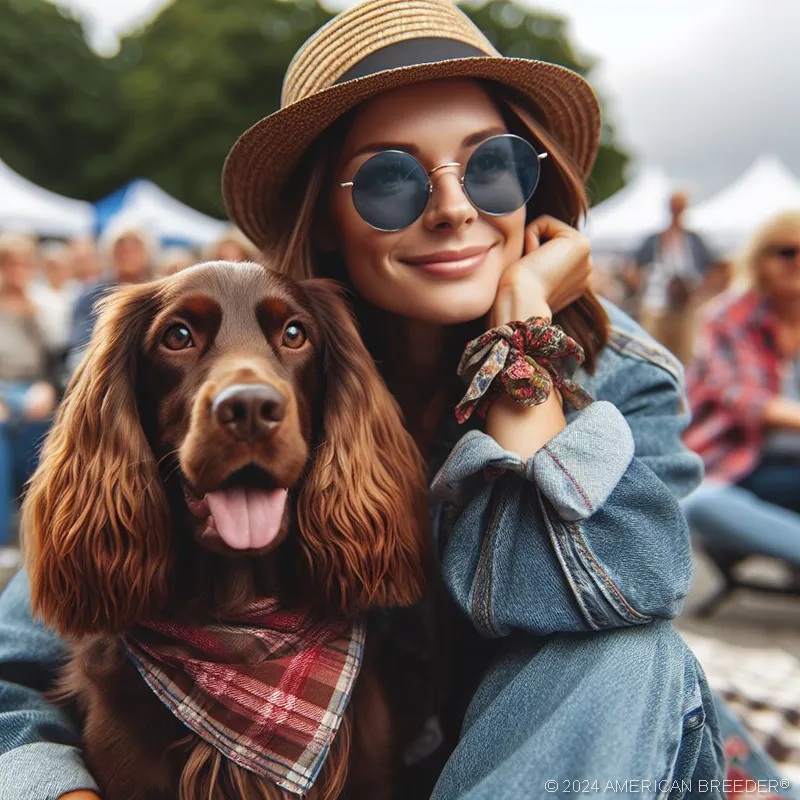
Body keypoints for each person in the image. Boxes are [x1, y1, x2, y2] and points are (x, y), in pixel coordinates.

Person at [0, 2, 728, 798]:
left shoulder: (622, 370)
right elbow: (16, 663)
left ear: (534, 185)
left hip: (577, 756)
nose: (453, 208)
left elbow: (602, 599)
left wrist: (522, 341)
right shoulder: (293, 347)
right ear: (324, 222)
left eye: (492, 166)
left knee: (627, 655)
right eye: (390, 179)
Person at [683, 210, 800, 567]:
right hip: (736, 462)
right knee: (701, 505)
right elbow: (746, 401)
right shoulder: (729, 316)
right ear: (760, 258)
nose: (797, 262)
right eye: (787, 252)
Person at [0, 233, 57, 570]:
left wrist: (47, 388)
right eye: (10, 263)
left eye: (23, 263)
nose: (17, 270)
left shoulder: (42, 307)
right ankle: (4, 538)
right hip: (3, 390)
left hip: (33, 388)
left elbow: (55, 361)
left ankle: (42, 531)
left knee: (46, 438)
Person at [631, 192, 715, 364]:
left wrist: (699, 293)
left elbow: (711, 269)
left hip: (685, 306)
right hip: (656, 304)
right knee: (653, 353)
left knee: (684, 355)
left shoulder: (693, 240)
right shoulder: (655, 239)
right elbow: (634, 267)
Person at [65, 223, 155, 380]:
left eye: (135, 247)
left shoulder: (156, 295)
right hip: (100, 375)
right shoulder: (91, 295)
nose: (127, 253)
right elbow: (79, 349)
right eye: (121, 247)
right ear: (110, 252)